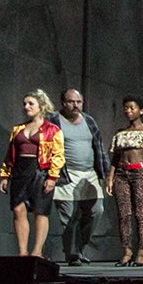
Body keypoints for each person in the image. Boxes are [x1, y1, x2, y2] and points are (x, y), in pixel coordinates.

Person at [0, 90, 65, 257]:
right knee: (18, 209)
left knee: (40, 211)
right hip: (20, 171)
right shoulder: (18, 129)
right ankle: (22, 252)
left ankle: (36, 251)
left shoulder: (52, 129)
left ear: (41, 106)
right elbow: (10, 154)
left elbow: (58, 155)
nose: (26, 107)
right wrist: (5, 175)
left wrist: (52, 177)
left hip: (40, 171)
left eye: (30, 103)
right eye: (25, 104)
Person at [48, 88, 109, 266]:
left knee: (97, 211)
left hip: (89, 174)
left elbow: (99, 146)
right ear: (63, 103)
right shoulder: (53, 120)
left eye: (79, 102)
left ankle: (79, 247)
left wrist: (104, 172)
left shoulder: (89, 121)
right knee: (68, 217)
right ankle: (73, 254)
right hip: (65, 174)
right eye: (71, 102)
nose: (75, 105)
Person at [105, 96, 143, 266]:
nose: (128, 111)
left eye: (132, 108)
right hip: (122, 173)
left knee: (141, 213)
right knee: (124, 214)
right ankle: (127, 250)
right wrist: (110, 177)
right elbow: (115, 157)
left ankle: (142, 251)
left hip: (140, 172)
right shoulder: (120, 133)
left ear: (141, 111)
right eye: (126, 108)